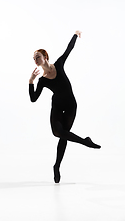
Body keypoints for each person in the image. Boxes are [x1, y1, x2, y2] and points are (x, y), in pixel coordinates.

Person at [29, 30, 101, 183]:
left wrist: (75, 34)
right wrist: (31, 81)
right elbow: (33, 99)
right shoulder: (42, 80)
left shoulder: (59, 63)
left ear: (45, 57)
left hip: (70, 106)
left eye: (37, 56)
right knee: (58, 132)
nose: (35, 59)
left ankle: (56, 166)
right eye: (33, 58)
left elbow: (69, 48)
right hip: (56, 106)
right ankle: (85, 142)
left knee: (64, 135)